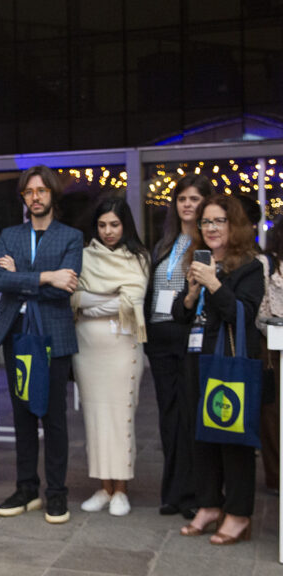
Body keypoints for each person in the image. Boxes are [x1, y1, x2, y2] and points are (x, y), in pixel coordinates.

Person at [0, 165, 83, 524]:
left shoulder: (70, 237)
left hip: (53, 335)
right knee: (23, 414)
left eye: (42, 191)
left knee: (54, 418)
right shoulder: (11, 235)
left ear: (52, 195)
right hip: (17, 334)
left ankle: (56, 494)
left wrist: (21, 277)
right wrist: (47, 276)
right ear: (23, 198)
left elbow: (67, 288)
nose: (36, 197)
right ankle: (26, 489)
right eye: (29, 192)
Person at [174, 194, 263, 545]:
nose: (210, 228)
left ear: (234, 225)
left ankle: (239, 513)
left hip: (228, 363)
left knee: (233, 438)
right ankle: (209, 505)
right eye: (206, 222)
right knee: (201, 437)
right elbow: (182, 317)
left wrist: (213, 283)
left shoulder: (250, 267)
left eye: (218, 221)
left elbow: (244, 313)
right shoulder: (200, 261)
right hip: (197, 361)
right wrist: (192, 294)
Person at [72, 197, 148, 516]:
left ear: (125, 225)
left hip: (123, 347)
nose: (108, 231)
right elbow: (75, 296)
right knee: (95, 418)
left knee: (121, 417)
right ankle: (104, 487)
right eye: (102, 225)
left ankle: (122, 490)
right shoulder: (84, 256)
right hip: (88, 349)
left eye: (114, 224)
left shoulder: (138, 258)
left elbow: (133, 300)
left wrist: (93, 303)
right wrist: (111, 299)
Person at [143, 174, 213, 519]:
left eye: (194, 199)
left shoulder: (209, 246)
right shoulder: (164, 244)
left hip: (189, 337)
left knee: (190, 418)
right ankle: (171, 493)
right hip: (159, 338)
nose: (187, 204)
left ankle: (192, 495)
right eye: (182, 199)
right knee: (168, 419)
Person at [258, 218, 283, 494]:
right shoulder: (268, 265)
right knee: (272, 416)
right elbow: (260, 314)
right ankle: (276, 476)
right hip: (272, 353)